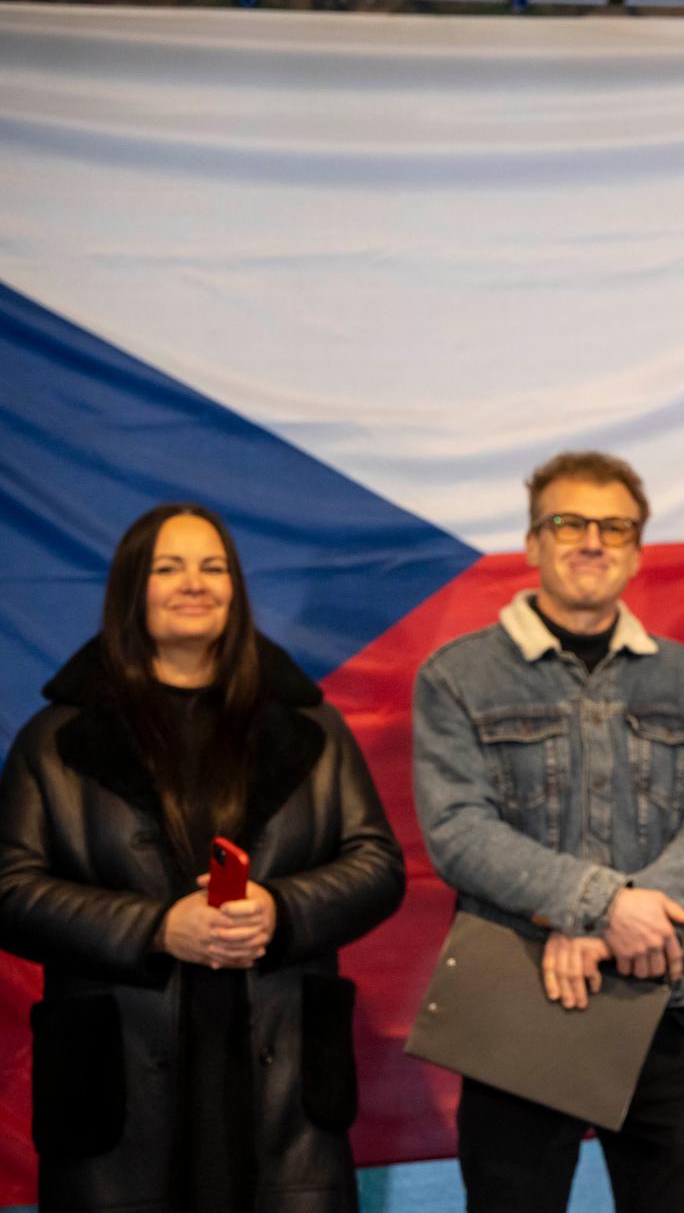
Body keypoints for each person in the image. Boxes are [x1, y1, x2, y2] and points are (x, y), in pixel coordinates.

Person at [0, 503, 406, 1213]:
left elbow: (377, 864)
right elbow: (9, 890)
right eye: (169, 567)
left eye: (213, 567)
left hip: (279, 1069)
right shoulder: (56, 737)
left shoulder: (309, 726)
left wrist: (281, 910)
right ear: (133, 587)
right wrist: (155, 928)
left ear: (236, 588)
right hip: (116, 1079)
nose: (195, 583)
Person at [413, 450, 684, 1213]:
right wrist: (604, 903)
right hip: (515, 995)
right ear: (533, 543)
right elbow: (458, 831)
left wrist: (615, 925)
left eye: (614, 526)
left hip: (660, 995)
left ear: (635, 550)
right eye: (568, 522)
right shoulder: (456, 677)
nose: (591, 540)